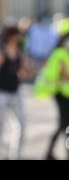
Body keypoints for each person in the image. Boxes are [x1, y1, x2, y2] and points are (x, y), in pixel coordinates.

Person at [43, 33, 69, 160]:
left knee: (63, 124)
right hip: (63, 93)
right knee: (68, 124)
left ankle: (51, 152)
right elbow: (64, 75)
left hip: (64, 93)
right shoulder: (62, 54)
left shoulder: (62, 53)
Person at [0, 26, 32, 159]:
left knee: (21, 123)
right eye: (14, 35)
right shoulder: (2, 53)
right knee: (1, 125)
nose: (17, 38)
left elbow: (25, 73)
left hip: (16, 92)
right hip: (2, 93)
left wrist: (29, 69)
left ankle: (15, 154)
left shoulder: (20, 53)